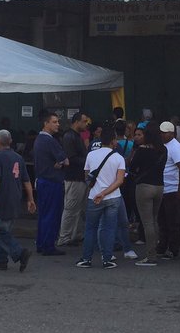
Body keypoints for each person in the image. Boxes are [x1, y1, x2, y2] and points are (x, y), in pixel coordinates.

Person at [77, 126, 126, 269]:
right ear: (113, 141)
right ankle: (107, 259)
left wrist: (97, 190)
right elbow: (120, 180)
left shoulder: (91, 155)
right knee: (109, 228)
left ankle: (86, 258)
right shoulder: (118, 158)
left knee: (90, 228)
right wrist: (105, 192)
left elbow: (87, 175)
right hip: (113, 196)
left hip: (94, 196)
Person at [0, 129, 36, 272]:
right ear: (11, 142)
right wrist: (31, 199)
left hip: (3, 197)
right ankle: (0, 260)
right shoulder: (18, 158)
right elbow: (26, 181)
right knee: (6, 229)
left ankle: (20, 252)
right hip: (15, 197)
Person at [130, 122, 166, 266]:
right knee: (154, 219)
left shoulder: (142, 150)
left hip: (144, 186)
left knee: (147, 223)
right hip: (159, 186)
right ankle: (156, 249)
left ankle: (151, 256)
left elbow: (132, 168)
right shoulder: (163, 150)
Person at [32, 112, 68, 256]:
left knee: (43, 214)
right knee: (52, 214)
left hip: (41, 180)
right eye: (54, 122)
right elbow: (66, 160)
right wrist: (60, 163)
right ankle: (48, 245)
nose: (58, 124)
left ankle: (41, 243)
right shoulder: (50, 141)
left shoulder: (38, 140)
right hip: (52, 182)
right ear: (46, 123)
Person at [57, 113, 89, 247]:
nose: (86, 124)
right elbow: (71, 158)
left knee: (79, 208)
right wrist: (89, 161)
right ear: (76, 122)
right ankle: (64, 236)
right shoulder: (70, 136)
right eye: (84, 121)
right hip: (74, 178)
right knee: (71, 208)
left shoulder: (75, 136)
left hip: (78, 177)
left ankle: (75, 234)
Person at [156, 120, 180, 259]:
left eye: (165, 133)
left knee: (173, 222)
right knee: (162, 221)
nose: (162, 135)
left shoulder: (175, 147)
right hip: (163, 189)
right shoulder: (162, 146)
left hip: (173, 190)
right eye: (161, 132)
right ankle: (162, 246)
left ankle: (173, 249)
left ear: (172, 134)